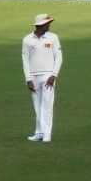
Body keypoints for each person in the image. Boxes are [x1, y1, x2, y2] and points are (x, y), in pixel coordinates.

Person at [22, 14, 63, 143]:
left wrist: (54, 75)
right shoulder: (27, 39)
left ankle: (47, 134)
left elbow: (59, 57)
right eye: (47, 23)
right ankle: (39, 133)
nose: (49, 25)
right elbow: (25, 61)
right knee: (37, 105)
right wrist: (28, 79)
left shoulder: (53, 38)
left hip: (48, 76)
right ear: (40, 25)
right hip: (33, 76)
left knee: (47, 105)